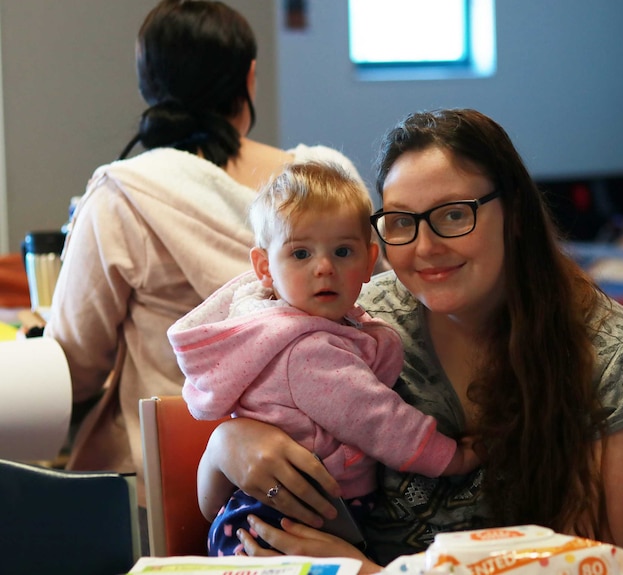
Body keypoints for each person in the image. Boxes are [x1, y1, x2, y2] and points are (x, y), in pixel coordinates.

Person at [195, 109, 623, 570]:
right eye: (400, 222)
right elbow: (206, 504)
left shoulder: (618, 367)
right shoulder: (357, 319)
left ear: (515, 214)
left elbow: (604, 566)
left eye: (454, 214)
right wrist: (225, 445)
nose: (425, 248)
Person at [44, 0, 366, 538]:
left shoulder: (126, 192)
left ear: (150, 84)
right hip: (326, 482)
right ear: (250, 79)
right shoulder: (327, 192)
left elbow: (75, 368)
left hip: (166, 491)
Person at [168, 161, 479, 556]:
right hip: (290, 522)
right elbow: (380, 420)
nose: (324, 267)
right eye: (300, 253)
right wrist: (452, 457)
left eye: (342, 251)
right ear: (265, 267)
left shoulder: (292, 326)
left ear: (369, 262)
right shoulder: (307, 350)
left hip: (267, 512)